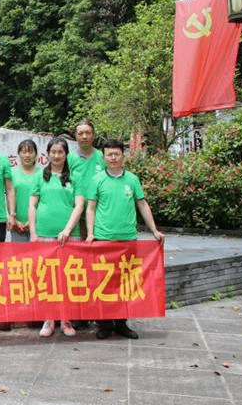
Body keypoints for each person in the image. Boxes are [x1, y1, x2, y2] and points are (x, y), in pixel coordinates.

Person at [86, 139, 165, 340]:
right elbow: (91, 208)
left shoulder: (132, 179)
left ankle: (121, 323)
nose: (113, 158)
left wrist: (154, 230)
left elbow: (142, 204)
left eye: (117, 154)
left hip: (128, 239)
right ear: (103, 157)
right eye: (109, 154)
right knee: (104, 283)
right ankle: (104, 324)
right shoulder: (97, 179)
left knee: (126, 283)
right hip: (103, 239)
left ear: (123, 156)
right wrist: (90, 233)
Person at [28, 137, 84, 337]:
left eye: (61, 152)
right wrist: (33, 233)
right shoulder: (39, 176)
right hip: (44, 234)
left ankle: (66, 320)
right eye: (53, 152)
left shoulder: (75, 177)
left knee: (67, 278)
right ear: (48, 154)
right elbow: (32, 205)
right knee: (46, 278)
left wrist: (67, 230)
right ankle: (48, 319)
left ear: (66, 154)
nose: (57, 155)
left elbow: (79, 205)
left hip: (69, 236)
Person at [67, 120, 105, 239]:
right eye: (81, 133)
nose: (84, 136)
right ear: (76, 136)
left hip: (99, 214)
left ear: (93, 135)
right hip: (76, 216)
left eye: (88, 133)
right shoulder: (70, 158)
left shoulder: (102, 157)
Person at [9, 139, 39, 242]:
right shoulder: (12, 174)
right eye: (24, 152)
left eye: (30, 152)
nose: (27, 155)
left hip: (38, 225)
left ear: (36, 154)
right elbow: (8, 197)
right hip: (17, 225)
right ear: (19, 154)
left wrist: (32, 222)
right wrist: (13, 219)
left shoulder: (42, 174)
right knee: (18, 252)